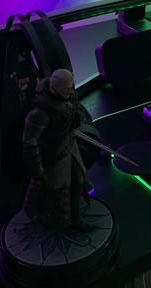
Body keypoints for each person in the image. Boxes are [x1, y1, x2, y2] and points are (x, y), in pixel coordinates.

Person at [20, 68, 96, 230]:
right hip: (53, 156)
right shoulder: (40, 112)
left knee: (78, 181)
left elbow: (74, 116)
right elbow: (29, 142)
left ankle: (75, 219)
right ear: (56, 87)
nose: (70, 90)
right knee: (56, 193)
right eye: (66, 88)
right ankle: (55, 223)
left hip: (69, 145)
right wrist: (37, 169)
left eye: (71, 87)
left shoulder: (70, 96)